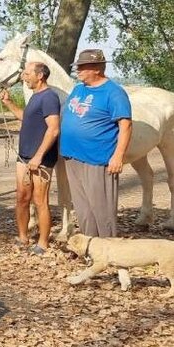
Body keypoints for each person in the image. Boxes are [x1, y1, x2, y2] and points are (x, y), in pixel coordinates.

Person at [59, 49, 132, 238]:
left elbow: (125, 125)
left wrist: (118, 156)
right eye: (78, 67)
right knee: (83, 208)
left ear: (97, 69)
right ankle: (90, 247)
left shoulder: (114, 93)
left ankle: (108, 249)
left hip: (98, 159)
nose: (78, 71)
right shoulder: (78, 89)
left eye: (82, 67)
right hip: (72, 156)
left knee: (102, 208)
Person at [0, 62, 61, 255]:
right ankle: (23, 236)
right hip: (24, 157)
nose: (24, 77)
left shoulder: (50, 97)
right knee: (21, 198)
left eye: (27, 74)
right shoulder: (36, 96)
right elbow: (25, 118)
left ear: (40, 75)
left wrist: (38, 156)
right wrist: (8, 102)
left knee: (40, 200)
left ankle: (42, 243)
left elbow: (54, 128)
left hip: (40, 159)